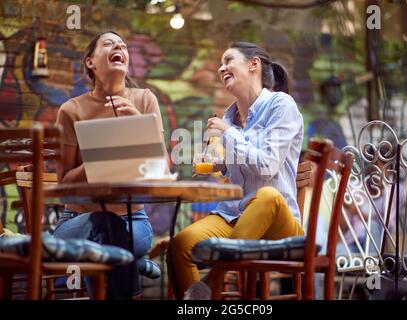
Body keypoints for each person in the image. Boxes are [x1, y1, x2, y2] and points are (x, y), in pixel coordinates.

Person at [170, 42, 304, 299]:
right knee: (181, 244)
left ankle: (211, 282)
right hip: (236, 218)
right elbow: (242, 170)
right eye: (221, 64)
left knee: (267, 196)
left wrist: (228, 133)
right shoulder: (230, 118)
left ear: (254, 64)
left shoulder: (281, 105)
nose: (222, 68)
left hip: (278, 222)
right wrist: (219, 164)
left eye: (228, 60)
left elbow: (266, 166)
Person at [54, 31, 166, 299]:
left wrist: (141, 124)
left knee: (110, 242)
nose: (119, 46)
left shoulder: (145, 100)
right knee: (106, 230)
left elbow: (160, 168)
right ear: (90, 62)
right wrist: (98, 158)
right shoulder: (71, 110)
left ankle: (126, 259)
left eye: (123, 45)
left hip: (134, 222)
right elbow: (64, 184)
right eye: (109, 43)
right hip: (78, 221)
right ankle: (130, 263)